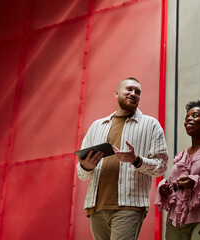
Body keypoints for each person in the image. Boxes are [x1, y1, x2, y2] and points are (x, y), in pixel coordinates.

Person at [77, 77, 168, 240]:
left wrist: (136, 160)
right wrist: (86, 167)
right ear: (116, 93)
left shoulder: (150, 125)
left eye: (137, 92)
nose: (133, 94)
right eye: (129, 89)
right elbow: (81, 173)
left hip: (130, 206)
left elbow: (161, 166)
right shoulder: (96, 126)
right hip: (96, 207)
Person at [155, 97, 200, 240]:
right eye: (187, 117)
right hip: (176, 220)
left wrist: (195, 182)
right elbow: (174, 185)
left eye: (195, 116)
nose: (189, 119)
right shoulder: (180, 156)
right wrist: (166, 188)